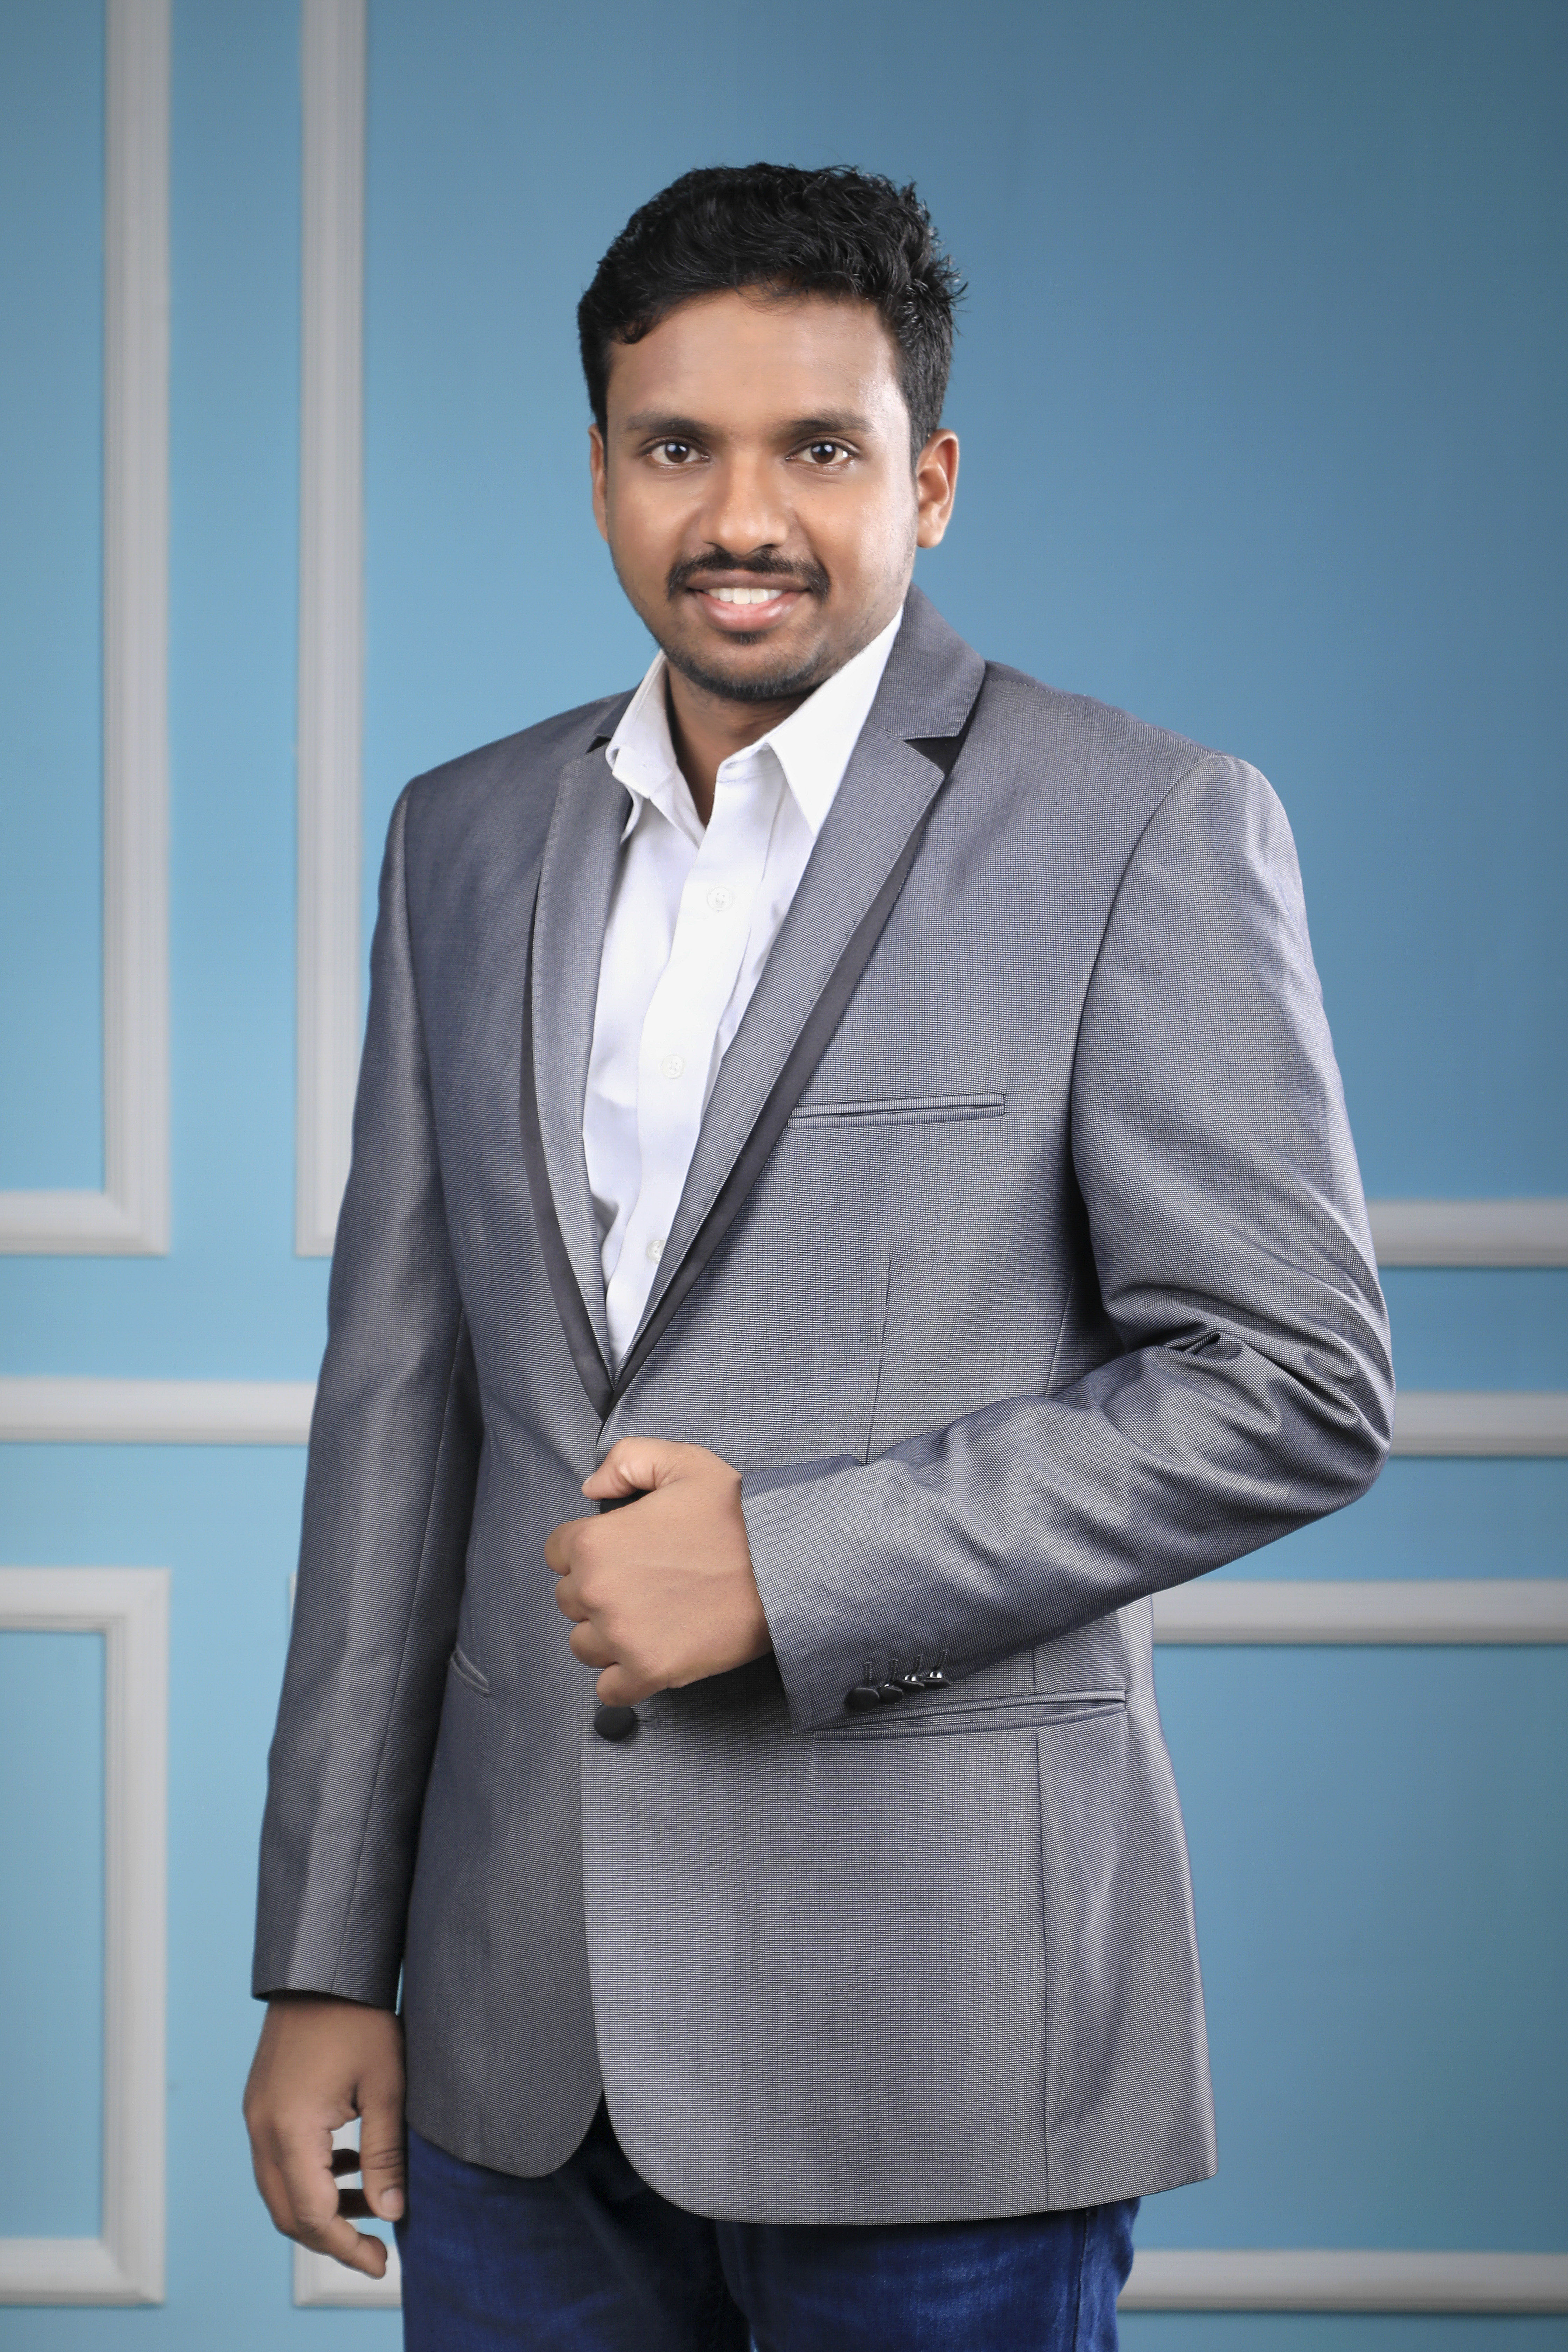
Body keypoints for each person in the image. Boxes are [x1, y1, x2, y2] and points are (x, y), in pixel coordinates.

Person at [245, 163, 1393, 2350]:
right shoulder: (461, 838)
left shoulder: (1142, 824)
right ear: (601, 468)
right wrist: (321, 1963)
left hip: (939, 2032)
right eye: (679, 446)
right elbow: (399, 1417)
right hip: (512, 2047)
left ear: (930, 481)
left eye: (821, 450)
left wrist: (789, 1568)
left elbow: (1295, 1383)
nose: (743, 515)